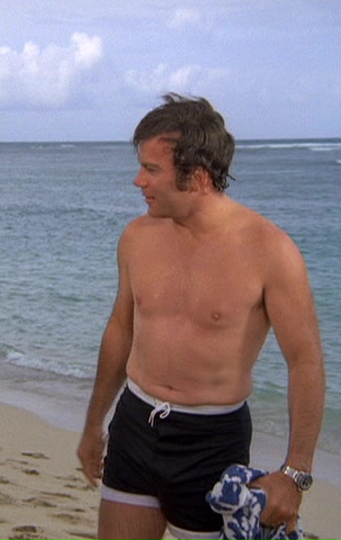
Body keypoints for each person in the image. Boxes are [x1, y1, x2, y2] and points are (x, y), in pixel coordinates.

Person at [77, 94, 325, 540]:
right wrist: (94, 423)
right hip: (135, 425)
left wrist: (295, 473)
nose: (138, 180)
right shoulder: (137, 237)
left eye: (151, 169)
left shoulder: (270, 251)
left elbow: (305, 361)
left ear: (197, 176)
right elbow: (120, 329)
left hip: (211, 442)